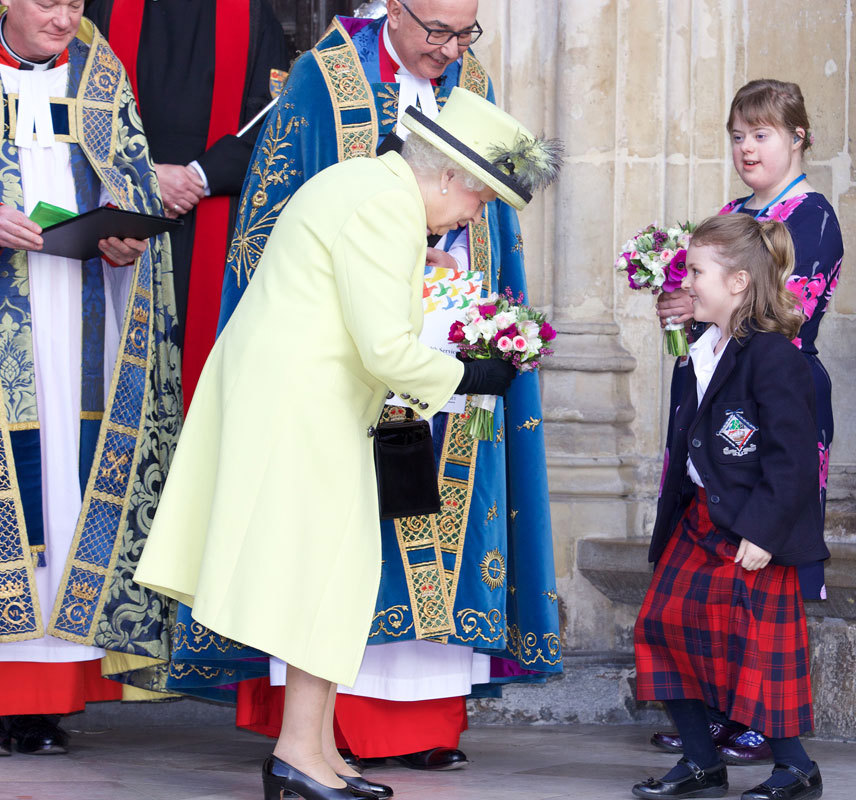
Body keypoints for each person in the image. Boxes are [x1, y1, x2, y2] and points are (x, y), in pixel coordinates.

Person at [163, 0, 561, 772]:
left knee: (334, 576)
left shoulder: (382, 187)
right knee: (328, 575)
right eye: (477, 198)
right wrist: (473, 374)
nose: (473, 217)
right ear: (446, 174)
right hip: (308, 402)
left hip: (309, 394)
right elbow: (382, 347)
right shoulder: (382, 197)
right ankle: (305, 755)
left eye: (464, 34)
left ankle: (309, 754)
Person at [0, 0, 177, 756]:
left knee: (64, 488)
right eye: (47, 2)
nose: (66, 17)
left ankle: (39, 702)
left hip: (79, 316)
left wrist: (123, 237)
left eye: (76, 2)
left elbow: (128, 185)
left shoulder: (102, 72)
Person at [652, 78, 842, 766]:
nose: (746, 147)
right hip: (720, 385)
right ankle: (716, 710)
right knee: (709, 567)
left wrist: (724, 315)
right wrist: (682, 308)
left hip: (773, 389)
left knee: (761, 566)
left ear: (798, 137)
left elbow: (782, 309)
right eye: (737, 134)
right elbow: (719, 299)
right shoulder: (734, 213)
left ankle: (762, 718)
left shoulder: (811, 215)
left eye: (761, 134)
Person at [633, 213, 829, 800]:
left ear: (739, 282)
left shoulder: (773, 357)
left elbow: (793, 460)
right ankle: (701, 762)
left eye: (696, 271)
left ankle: (796, 768)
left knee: (757, 651)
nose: (686, 281)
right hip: (698, 521)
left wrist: (765, 531)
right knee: (663, 627)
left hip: (750, 528)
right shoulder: (699, 349)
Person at [84, 0, 289, 410]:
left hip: (219, 221)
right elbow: (82, 103)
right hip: (125, 217)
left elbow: (275, 118)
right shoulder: (103, 8)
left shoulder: (252, 13)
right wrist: (144, 175)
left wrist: (200, 176)